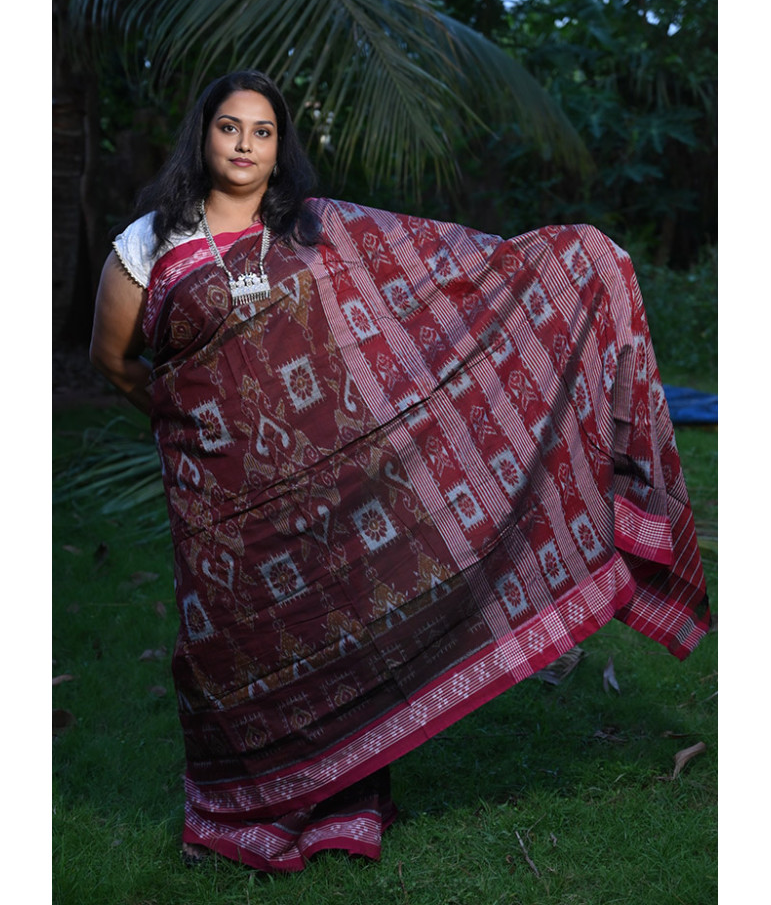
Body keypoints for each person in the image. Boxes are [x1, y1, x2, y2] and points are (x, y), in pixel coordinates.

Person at [90, 69, 711, 873]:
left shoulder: (318, 231)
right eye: (229, 128)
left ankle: (343, 802)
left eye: (263, 132)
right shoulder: (148, 243)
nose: (244, 145)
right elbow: (115, 361)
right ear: (202, 136)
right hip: (216, 492)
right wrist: (192, 424)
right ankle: (238, 804)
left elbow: (440, 277)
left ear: (280, 151)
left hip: (327, 481)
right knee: (232, 647)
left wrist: (573, 261)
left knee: (337, 627)